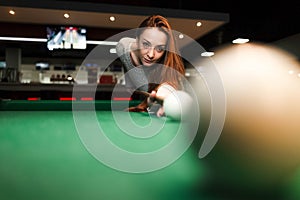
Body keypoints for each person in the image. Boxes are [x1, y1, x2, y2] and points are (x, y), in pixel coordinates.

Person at [116, 15, 185, 117]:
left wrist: (167, 96)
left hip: (178, 101)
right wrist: (129, 84)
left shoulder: (165, 67)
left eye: (159, 49)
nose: (151, 55)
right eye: (146, 44)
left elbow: (168, 86)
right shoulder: (122, 46)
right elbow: (126, 64)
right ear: (137, 39)